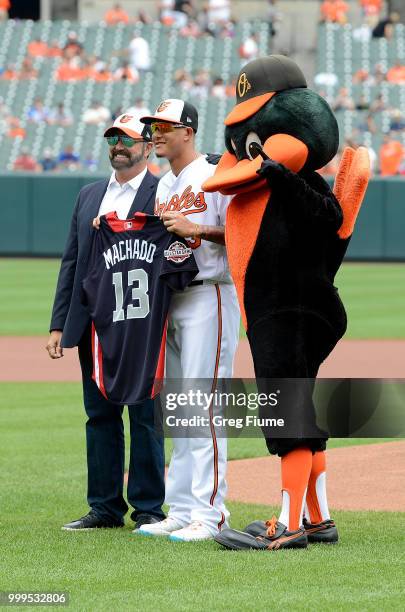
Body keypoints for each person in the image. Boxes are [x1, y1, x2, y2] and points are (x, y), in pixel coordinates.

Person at [47, 114, 166, 531]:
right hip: (95, 323)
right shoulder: (89, 195)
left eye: (128, 138)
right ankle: (104, 506)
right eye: (113, 137)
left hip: (141, 325)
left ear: (148, 147)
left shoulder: (162, 192)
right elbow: (72, 262)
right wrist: (59, 323)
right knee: (99, 415)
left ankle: (149, 507)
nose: (118, 144)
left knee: (145, 415)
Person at [137, 98, 240, 542]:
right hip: (173, 298)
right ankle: (181, 508)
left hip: (210, 294)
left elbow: (240, 233)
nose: (156, 133)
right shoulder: (163, 185)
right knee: (177, 409)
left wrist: (198, 230)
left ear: (189, 131)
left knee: (205, 406)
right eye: (153, 126)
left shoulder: (216, 173)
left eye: (165, 126)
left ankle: (212, 513)